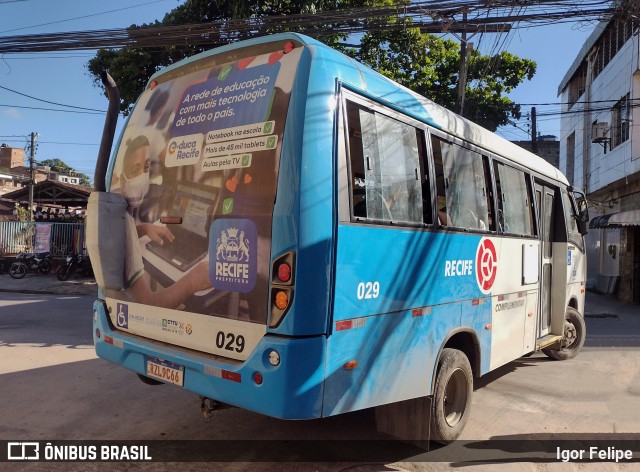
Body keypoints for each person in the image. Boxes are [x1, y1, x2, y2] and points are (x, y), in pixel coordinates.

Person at [116, 135, 211, 308]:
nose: (142, 177)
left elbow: (121, 237)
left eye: (145, 168)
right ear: (122, 180)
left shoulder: (121, 217)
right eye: (134, 170)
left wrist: (144, 229)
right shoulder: (125, 222)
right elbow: (149, 304)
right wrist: (192, 282)